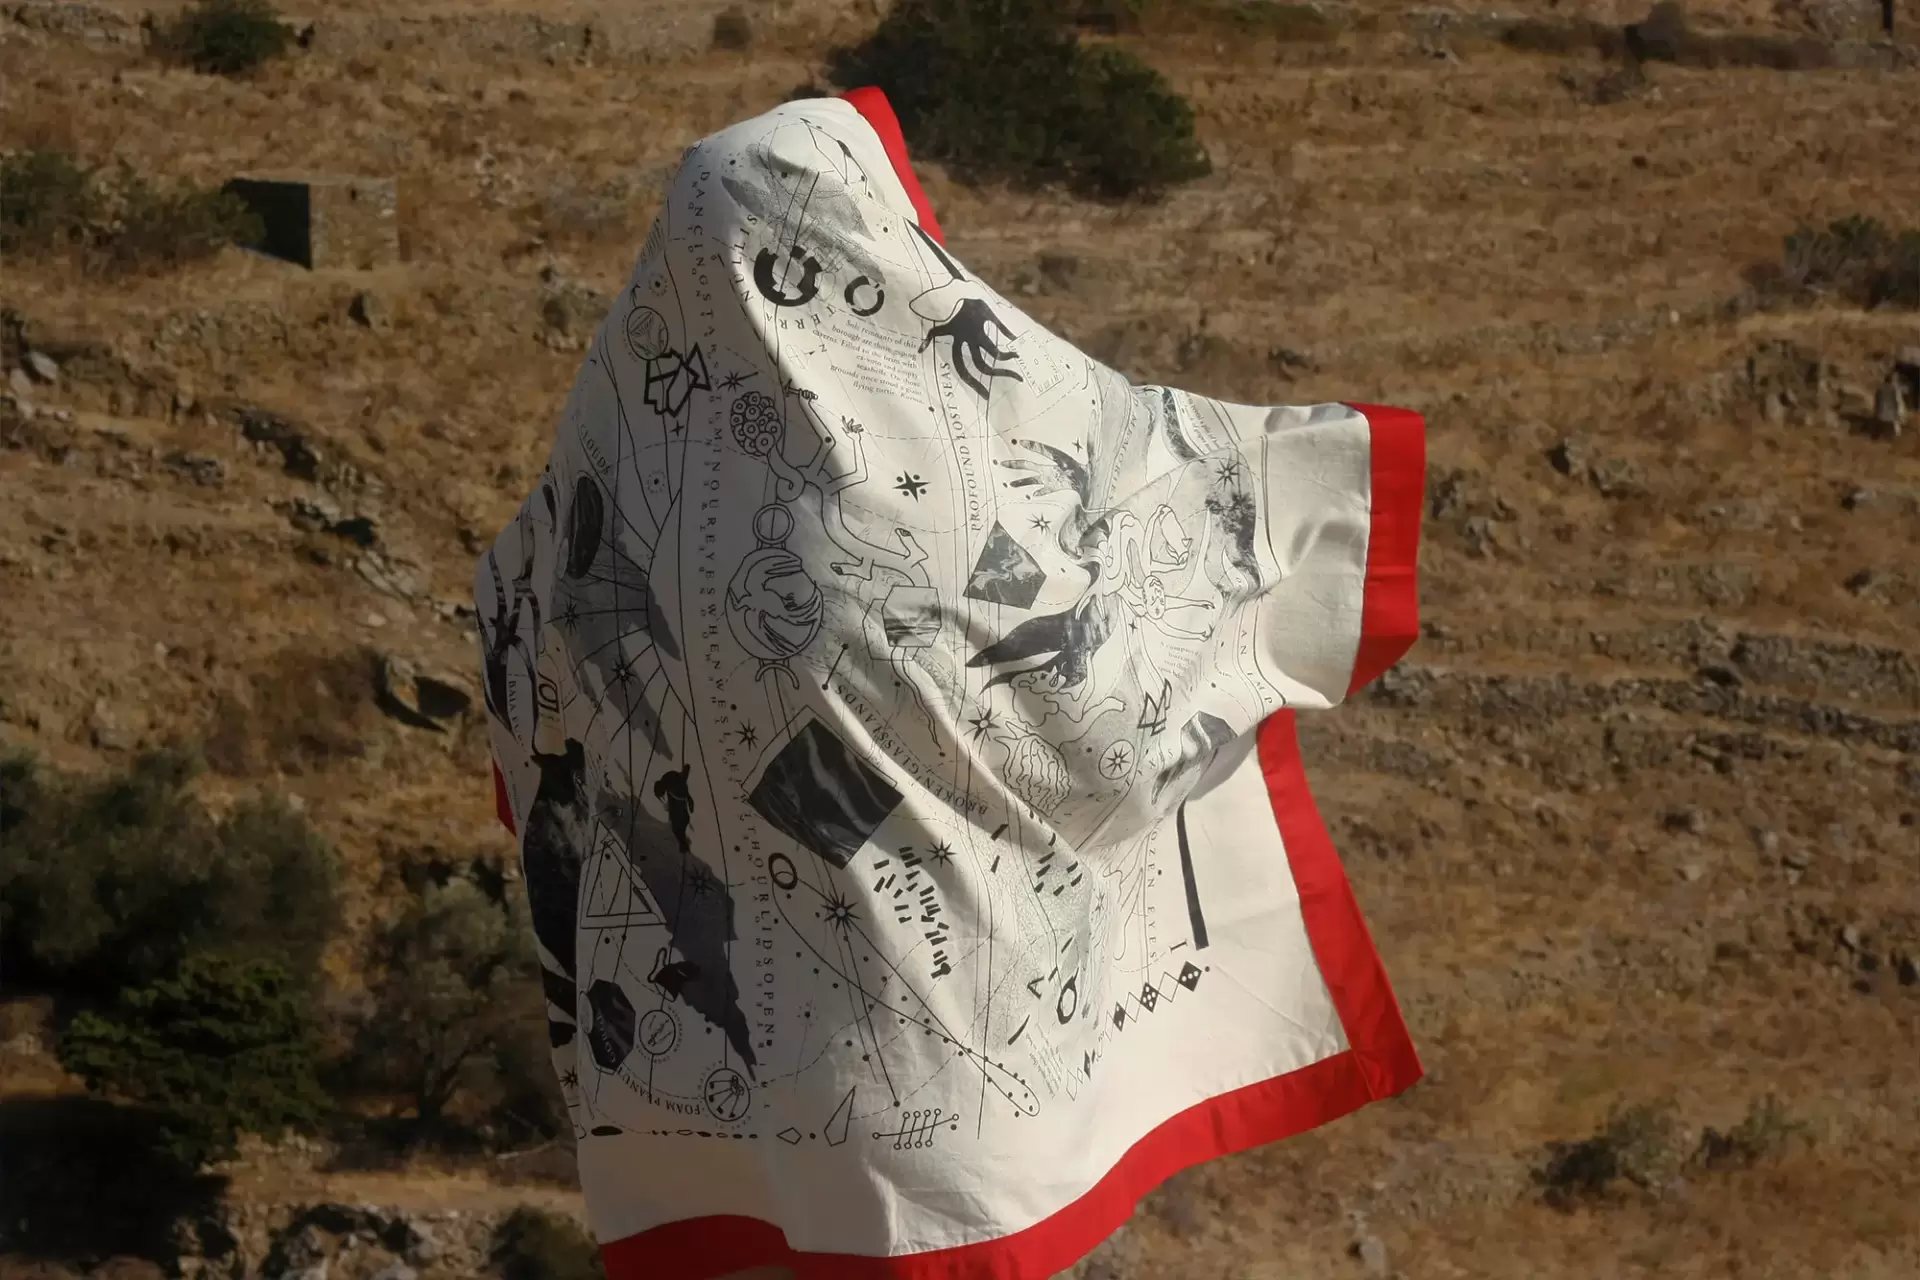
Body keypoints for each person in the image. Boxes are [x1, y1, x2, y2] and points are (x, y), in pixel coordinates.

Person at [476, 86, 1426, 1280]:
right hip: (941, 1093)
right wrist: (1295, 489)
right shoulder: (913, 503)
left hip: (730, 1102)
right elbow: (1095, 697)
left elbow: (523, 669)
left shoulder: (600, 488)